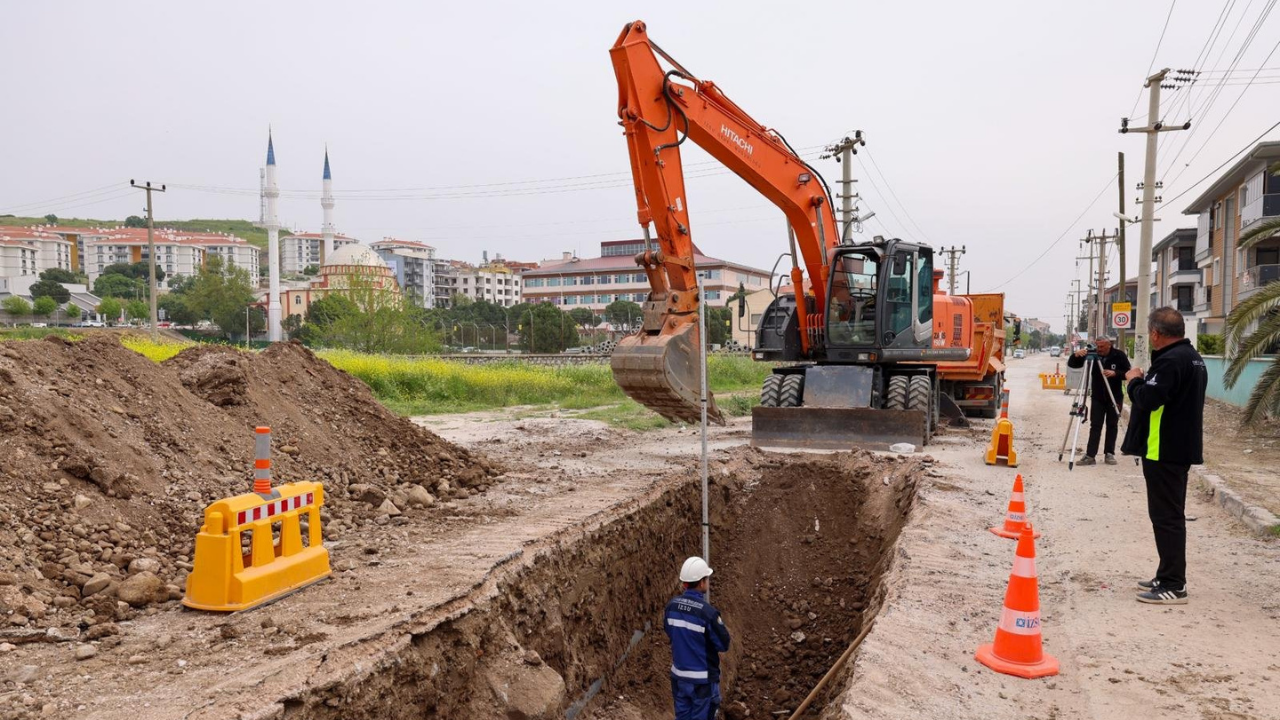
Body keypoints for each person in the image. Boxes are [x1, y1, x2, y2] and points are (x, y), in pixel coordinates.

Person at [1121, 307, 1207, 605]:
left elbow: (1148, 399)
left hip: (1165, 449)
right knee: (1167, 515)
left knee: (1167, 517)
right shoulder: (1193, 358)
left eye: (1150, 333)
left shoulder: (1171, 361)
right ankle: (1166, 573)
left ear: (1156, 333)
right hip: (1176, 446)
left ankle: (1174, 584)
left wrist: (1133, 380)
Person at [665, 557, 731, 720]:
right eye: (706, 579)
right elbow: (723, 644)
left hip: (679, 678)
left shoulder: (671, 607)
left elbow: (669, 631)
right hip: (702, 682)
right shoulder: (708, 614)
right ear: (701, 583)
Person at [1066, 336, 1131, 465]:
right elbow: (1072, 364)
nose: (1099, 349)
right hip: (1097, 397)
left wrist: (1115, 373)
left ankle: (1109, 454)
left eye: (1102, 347)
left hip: (1115, 396)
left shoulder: (1119, 355)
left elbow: (1128, 372)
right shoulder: (1092, 354)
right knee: (1095, 425)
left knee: (1112, 425)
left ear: (1109, 345)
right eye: (1097, 346)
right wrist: (1076, 355)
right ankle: (1090, 455)